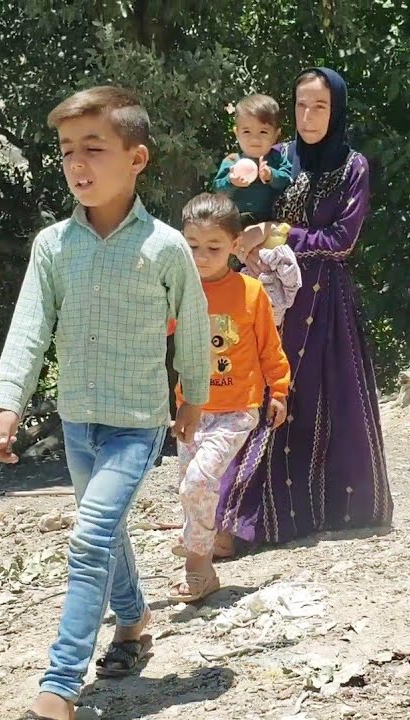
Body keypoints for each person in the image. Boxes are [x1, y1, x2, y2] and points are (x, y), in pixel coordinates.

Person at [0, 86, 210, 720]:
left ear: (136, 158)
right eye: (66, 151)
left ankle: (58, 686)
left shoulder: (166, 247)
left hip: (136, 425)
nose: (77, 164)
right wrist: (9, 400)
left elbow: (193, 325)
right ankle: (134, 620)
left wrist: (194, 394)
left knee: (88, 537)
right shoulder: (53, 245)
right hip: (76, 420)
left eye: (94, 148)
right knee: (105, 534)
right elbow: (30, 325)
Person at [214, 67, 393, 552]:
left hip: (325, 303)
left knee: (315, 402)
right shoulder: (278, 156)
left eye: (320, 106)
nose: (309, 116)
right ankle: (233, 517)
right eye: (301, 105)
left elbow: (342, 240)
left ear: (336, 110)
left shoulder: (353, 166)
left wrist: (279, 232)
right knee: (261, 395)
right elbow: (242, 204)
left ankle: (309, 514)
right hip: (270, 297)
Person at [168, 192, 291, 604]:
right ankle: (203, 558)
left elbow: (270, 349)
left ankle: (197, 565)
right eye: (192, 247)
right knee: (191, 486)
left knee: (198, 483)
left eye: (214, 248)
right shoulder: (179, 293)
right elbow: (149, 336)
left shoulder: (252, 293)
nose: (202, 257)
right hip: (191, 412)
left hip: (237, 410)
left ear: (236, 245)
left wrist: (279, 391)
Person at [212, 93, 293, 224]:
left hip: (269, 222)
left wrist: (271, 175)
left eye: (263, 132)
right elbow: (218, 188)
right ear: (237, 133)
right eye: (246, 131)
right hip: (235, 222)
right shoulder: (232, 161)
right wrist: (231, 181)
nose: (255, 139)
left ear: (276, 135)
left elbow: (288, 181)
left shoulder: (277, 158)